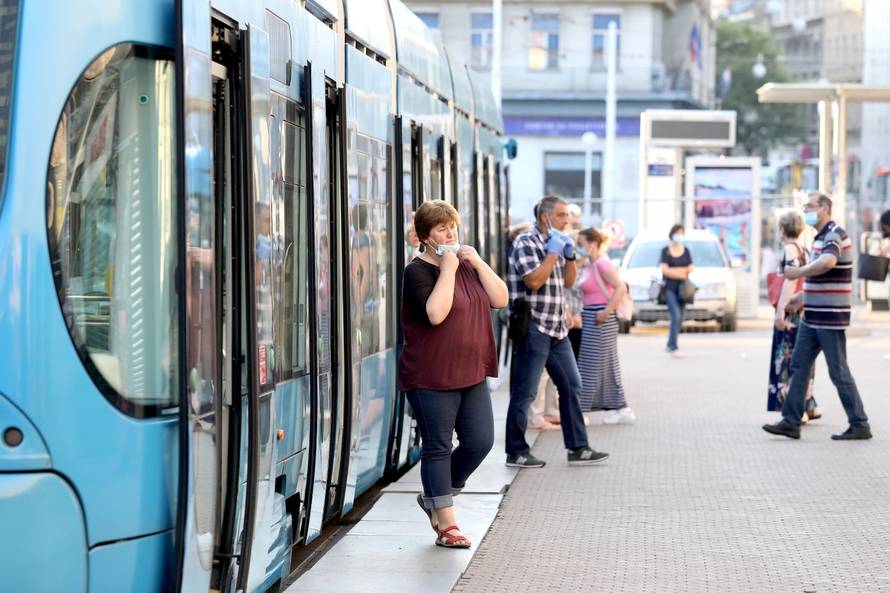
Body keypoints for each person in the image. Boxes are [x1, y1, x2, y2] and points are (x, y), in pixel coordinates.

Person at [399, 200, 509, 548]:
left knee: (480, 441)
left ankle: (438, 493)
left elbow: (500, 298)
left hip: (471, 372)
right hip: (431, 375)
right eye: (442, 228)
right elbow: (436, 313)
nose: (451, 233)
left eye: (453, 226)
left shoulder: (467, 264)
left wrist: (475, 261)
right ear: (425, 236)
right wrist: (447, 269)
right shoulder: (417, 271)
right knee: (438, 447)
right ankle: (447, 524)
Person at [505, 195, 609, 468]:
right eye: (562, 215)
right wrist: (553, 253)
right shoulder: (525, 242)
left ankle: (578, 448)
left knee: (572, 385)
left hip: (557, 328)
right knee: (525, 391)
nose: (567, 221)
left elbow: (568, 282)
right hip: (534, 326)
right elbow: (534, 281)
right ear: (545, 217)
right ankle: (516, 450)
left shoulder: (561, 242)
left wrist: (570, 257)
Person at [763, 192, 871, 441]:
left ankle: (859, 423)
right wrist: (801, 299)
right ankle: (791, 422)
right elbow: (820, 276)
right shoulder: (820, 237)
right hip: (813, 315)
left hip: (829, 318)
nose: (806, 211)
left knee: (838, 371)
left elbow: (828, 263)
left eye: (810, 206)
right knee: (799, 365)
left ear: (824, 209)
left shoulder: (834, 234)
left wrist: (798, 271)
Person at [576, 228, 635, 424]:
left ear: (592, 244)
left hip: (601, 317)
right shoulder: (589, 265)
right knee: (601, 364)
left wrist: (607, 311)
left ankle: (582, 409)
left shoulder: (601, 263)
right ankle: (618, 406)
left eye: (581, 244)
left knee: (590, 365)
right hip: (592, 316)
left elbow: (621, 287)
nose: (578, 248)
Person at [767, 211, 820, 422]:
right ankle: (808, 405)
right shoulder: (804, 249)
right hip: (802, 313)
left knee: (788, 359)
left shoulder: (790, 249)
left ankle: (793, 408)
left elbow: (790, 281)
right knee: (803, 360)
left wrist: (780, 311)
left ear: (782, 230)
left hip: (791, 313)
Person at [660, 224, 694, 357]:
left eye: (681, 233)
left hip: (683, 289)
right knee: (676, 316)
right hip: (670, 288)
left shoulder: (686, 251)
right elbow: (665, 270)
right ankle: (674, 346)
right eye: (677, 233)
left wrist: (674, 271)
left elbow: (691, 268)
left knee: (680, 318)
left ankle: (670, 343)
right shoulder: (666, 251)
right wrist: (682, 272)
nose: (679, 236)